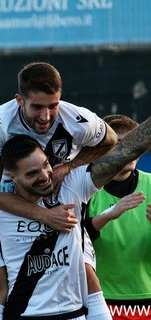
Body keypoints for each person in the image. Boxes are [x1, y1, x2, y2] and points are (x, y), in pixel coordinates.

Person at [0, 113, 151, 319]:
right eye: (32, 174)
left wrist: (71, 166)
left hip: (74, 313)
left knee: (89, 275)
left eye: (45, 166)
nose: (45, 177)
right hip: (24, 313)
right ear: (12, 178)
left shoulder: (71, 183)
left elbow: (125, 152)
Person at [0, 62, 117, 319]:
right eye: (37, 107)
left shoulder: (78, 119)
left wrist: (70, 166)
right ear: (19, 100)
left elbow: (110, 140)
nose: (46, 116)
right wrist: (43, 215)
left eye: (53, 105)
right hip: (7, 200)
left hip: (60, 194)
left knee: (86, 274)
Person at [85, 114, 151, 320]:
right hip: (97, 300)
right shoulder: (84, 188)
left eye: (135, 143)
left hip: (146, 298)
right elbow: (72, 240)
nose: (130, 150)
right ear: (101, 149)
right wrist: (108, 215)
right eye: (121, 144)